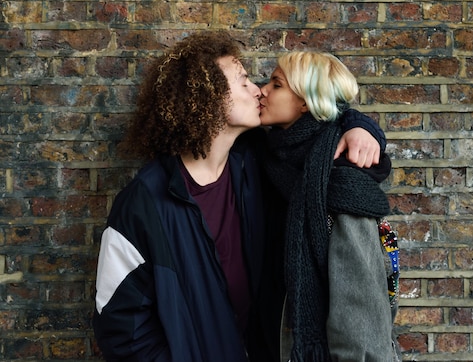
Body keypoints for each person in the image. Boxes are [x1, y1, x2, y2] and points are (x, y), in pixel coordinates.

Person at [92, 32, 386, 361]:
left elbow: (319, 120)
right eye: (244, 81)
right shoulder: (145, 202)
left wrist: (359, 126)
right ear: (208, 98)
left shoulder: (258, 166)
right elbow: (119, 324)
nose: (258, 89)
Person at [259, 51, 400, 362]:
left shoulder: (340, 178)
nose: (263, 90)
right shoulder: (271, 159)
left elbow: (360, 308)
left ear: (306, 102)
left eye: (277, 84)